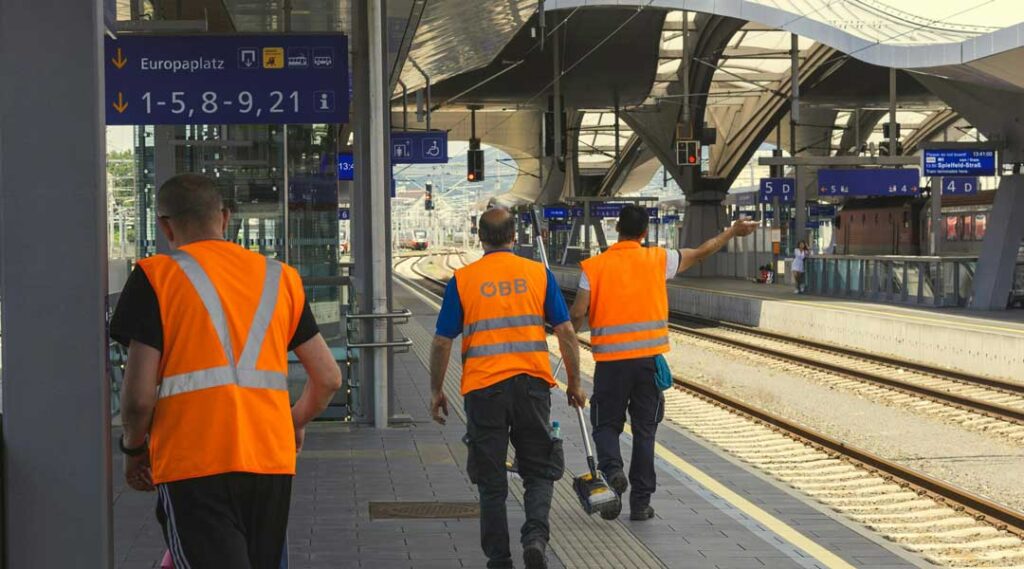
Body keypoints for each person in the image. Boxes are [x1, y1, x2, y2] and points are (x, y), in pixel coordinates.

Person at [111, 174, 343, 569]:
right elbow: (328, 378)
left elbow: (137, 398)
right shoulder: (279, 277)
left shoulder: (154, 276)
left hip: (192, 462)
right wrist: (293, 421)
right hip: (269, 459)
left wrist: (133, 450)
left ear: (165, 225)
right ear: (225, 217)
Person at [569, 204, 756, 521]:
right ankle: (640, 504)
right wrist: (731, 231)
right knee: (645, 432)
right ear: (644, 233)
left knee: (605, 424)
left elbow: (576, 313)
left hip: (611, 364)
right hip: (648, 364)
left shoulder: (594, 266)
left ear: (618, 229)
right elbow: (700, 252)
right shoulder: (660, 259)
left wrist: (570, 335)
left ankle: (613, 470)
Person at [429, 208, 586, 569]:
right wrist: (574, 383)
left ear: (480, 236)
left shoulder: (464, 279)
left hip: (484, 391)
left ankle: (499, 559)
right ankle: (534, 538)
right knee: (538, 469)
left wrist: (437, 390)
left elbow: (440, 342)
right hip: (532, 386)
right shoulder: (537, 274)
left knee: (491, 480)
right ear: (514, 237)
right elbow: (565, 332)